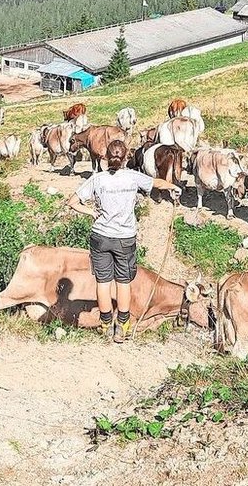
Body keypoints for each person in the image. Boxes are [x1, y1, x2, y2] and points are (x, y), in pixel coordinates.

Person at [67, 139, 177, 342]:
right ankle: (122, 327)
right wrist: (173, 187)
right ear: (126, 157)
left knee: (103, 283)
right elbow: (156, 183)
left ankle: (106, 324)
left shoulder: (97, 179)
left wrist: (91, 212)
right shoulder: (133, 177)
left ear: (106, 158)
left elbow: (72, 201)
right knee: (123, 283)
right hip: (125, 238)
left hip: (101, 237)